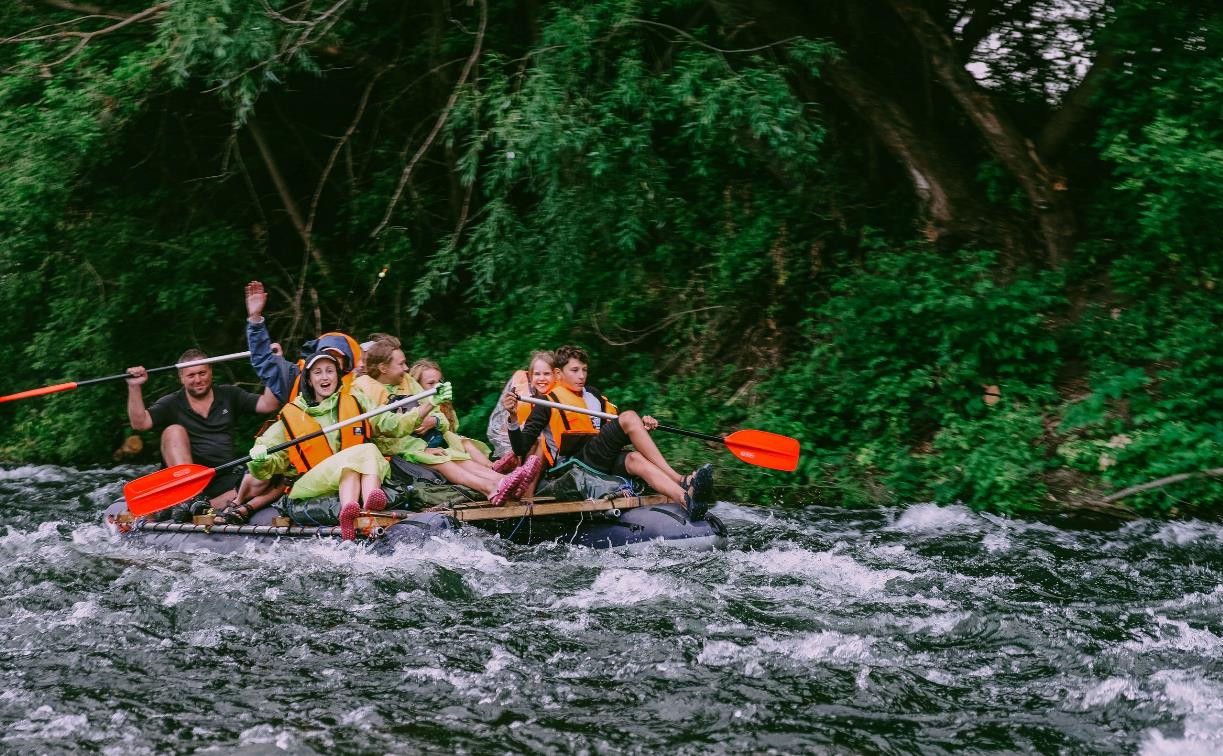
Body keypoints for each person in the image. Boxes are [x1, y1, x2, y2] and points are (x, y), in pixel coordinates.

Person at [502, 345, 714, 519]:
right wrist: (512, 417)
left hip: (598, 457)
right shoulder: (544, 403)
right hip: (573, 464)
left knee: (635, 458)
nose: (581, 376)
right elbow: (520, 447)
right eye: (575, 370)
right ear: (558, 373)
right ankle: (680, 480)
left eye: (584, 370)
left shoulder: (593, 395)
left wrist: (644, 424)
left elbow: (623, 425)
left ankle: (685, 500)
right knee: (629, 417)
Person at [247, 350, 435, 540]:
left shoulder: (356, 401)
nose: (325, 377)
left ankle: (363, 509)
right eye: (318, 372)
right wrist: (258, 459)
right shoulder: (293, 414)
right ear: (310, 380)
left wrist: (428, 406)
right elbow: (266, 464)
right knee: (366, 450)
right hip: (312, 484)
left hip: (351, 475)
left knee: (355, 461)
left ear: (337, 376)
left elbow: (392, 423)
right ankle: (365, 501)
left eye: (330, 371)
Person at [353, 339, 539, 502]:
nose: (406, 368)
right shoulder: (365, 389)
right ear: (383, 368)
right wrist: (421, 435)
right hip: (396, 452)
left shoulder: (407, 382)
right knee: (443, 459)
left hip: (418, 445)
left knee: (456, 455)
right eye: (401, 364)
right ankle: (491, 488)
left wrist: (433, 419)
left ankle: (502, 480)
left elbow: (439, 414)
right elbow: (390, 427)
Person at [126, 348, 280, 509]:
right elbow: (140, 423)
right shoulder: (171, 403)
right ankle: (189, 499)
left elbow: (268, 404)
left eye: (202, 373)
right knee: (173, 431)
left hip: (223, 477)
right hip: (186, 481)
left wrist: (272, 365)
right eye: (191, 375)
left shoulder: (229, 394)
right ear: (181, 378)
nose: (198, 379)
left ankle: (202, 508)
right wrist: (134, 387)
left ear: (210, 372)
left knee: (268, 478)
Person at [408, 359, 494, 467]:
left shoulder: (444, 402)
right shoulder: (413, 404)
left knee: (465, 442)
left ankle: (494, 467)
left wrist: (436, 421)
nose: (437, 386)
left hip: (446, 441)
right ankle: (493, 468)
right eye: (431, 383)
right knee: (462, 443)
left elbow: (453, 427)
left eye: (439, 381)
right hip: (426, 446)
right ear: (417, 385)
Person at [486, 351, 555, 465]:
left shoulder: (558, 398)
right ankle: (516, 471)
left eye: (547, 374)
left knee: (539, 440)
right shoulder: (521, 392)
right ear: (531, 376)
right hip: (520, 444)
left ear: (555, 375)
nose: (542, 378)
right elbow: (501, 429)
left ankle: (525, 475)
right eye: (537, 374)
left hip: (544, 449)